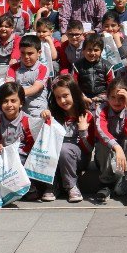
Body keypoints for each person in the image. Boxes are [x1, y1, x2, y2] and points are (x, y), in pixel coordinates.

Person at [40, 75, 95, 203]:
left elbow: (89, 148)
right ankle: (52, 185)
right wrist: (46, 118)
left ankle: (71, 185)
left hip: (78, 158)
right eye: (58, 98)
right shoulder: (56, 115)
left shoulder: (86, 116)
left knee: (64, 149)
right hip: (58, 156)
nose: (62, 101)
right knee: (49, 147)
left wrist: (82, 131)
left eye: (65, 96)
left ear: (74, 94)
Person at [94, 78, 127, 204]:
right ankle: (106, 183)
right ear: (107, 97)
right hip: (109, 154)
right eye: (113, 97)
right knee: (102, 144)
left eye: (121, 98)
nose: (116, 101)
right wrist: (116, 147)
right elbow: (101, 130)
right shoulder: (102, 109)